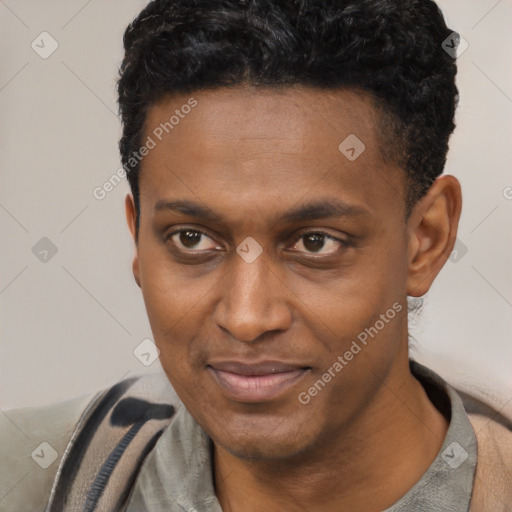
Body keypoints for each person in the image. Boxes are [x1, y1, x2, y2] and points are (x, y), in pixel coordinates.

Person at [1, 0, 511, 511]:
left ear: (426, 238)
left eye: (316, 242)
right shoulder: (25, 478)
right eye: (192, 239)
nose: (247, 318)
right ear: (137, 238)